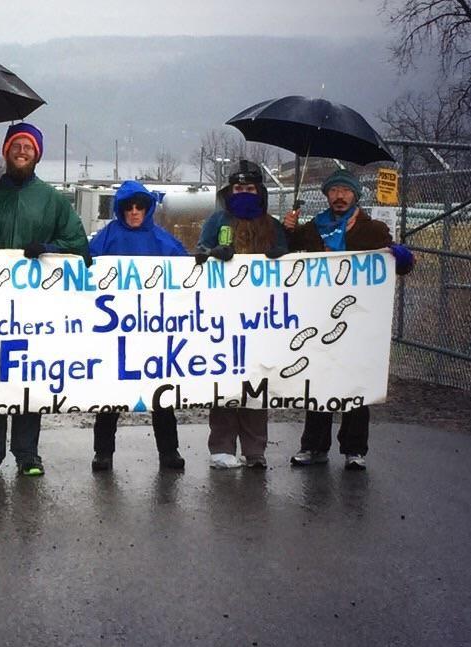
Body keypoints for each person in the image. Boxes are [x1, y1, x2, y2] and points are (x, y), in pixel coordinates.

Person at [0, 122, 90, 478]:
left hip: (37, 307)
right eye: (15, 146)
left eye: (27, 147)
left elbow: (79, 246)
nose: (21, 152)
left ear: (37, 154)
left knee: (29, 377)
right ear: (5, 151)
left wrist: (49, 249)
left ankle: (27, 453)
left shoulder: (52, 200)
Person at [283, 168, 414, 471]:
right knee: (318, 382)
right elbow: (287, 256)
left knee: (356, 384)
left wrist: (401, 257)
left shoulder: (373, 229)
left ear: (356, 195)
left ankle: (354, 449)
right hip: (318, 316)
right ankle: (314, 446)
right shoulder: (314, 228)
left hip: (358, 320)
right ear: (327, 195)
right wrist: (287, 229)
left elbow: (395, 265)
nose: (339, 196)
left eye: (345, 191)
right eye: (334, 190)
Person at [87, 180, 188, 472]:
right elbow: (80, 263)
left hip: (153, 328)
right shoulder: (107, 237)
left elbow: (189, 271)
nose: (134, 212)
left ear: (147, 208)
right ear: (121, 209)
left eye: (139, 206)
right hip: (114, 329)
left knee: (161, 393)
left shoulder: (162, 240)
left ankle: (169, 451)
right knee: (111, 394)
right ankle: (103, 452)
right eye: (128, 207)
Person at [195, 159, 287, 470]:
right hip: (223, 315)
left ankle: (254, 449)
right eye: (238, 188)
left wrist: (282, 256)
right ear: (230, 191)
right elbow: (198, 255)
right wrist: (212, 255)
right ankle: (221, 447)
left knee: (256, 382)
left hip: (262, 316)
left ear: (258, 191)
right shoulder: (217, 221)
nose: (243, 192)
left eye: (249, 188)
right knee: (223, 383)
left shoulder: (272, 225)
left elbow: (293, 268)